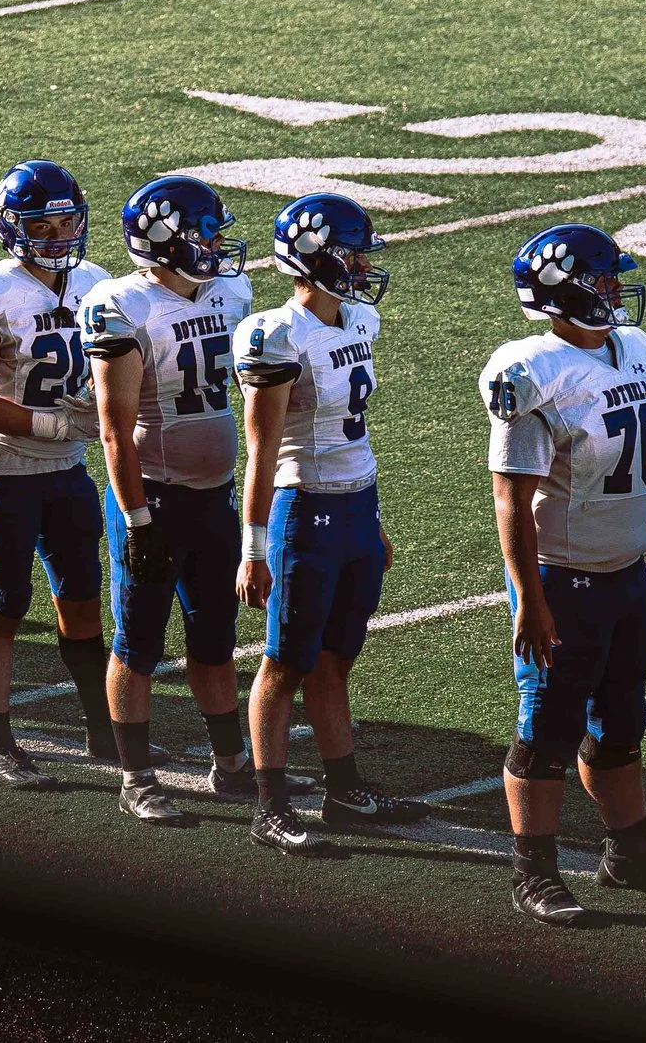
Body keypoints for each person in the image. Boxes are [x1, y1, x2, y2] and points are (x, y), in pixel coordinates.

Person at [483, 223, 646, 924]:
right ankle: (534, 870)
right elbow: (510, 497)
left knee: (622, 720)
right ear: (561, 292)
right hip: (565, 579)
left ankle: (629, 851)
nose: (614, 292)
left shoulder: (635, 351)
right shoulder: (530, 372)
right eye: (601, 281)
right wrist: (528, 597)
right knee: (545, 729)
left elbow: (645, 479)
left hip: (626, 575)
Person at [233, 193, 426, 855]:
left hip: (354, 504)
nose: (364, 264)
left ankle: (344, 792)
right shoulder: (277, 335)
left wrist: (371, 521)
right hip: (303, 508)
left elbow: (355, 429)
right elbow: (260, 450)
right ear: (311, 258)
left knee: (337, 659)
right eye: (351, 252)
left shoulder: (362, 319)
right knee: (284, 662)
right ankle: (270, 805)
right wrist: (253, 549)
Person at [80, 177, 258, 824]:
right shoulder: (124, 305)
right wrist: (136, 520)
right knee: (139, 643)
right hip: (153, 499)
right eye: (204, 233)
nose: (216, 245)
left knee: (215, 639)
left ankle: (230, 763)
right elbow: (112, 426)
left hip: (214, 499)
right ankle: (137, 775)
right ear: (164, 241)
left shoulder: (228, 294)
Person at [0, 160, 113, 790]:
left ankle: (102, 727)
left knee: (82, 599)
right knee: (5, 605)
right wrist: (50, 425)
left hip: (68, 468)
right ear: (12, 227)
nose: (59, 233)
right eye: (43, 223)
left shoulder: (96, 282)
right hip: (6, 469)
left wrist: (100, 409)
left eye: (68, 219)